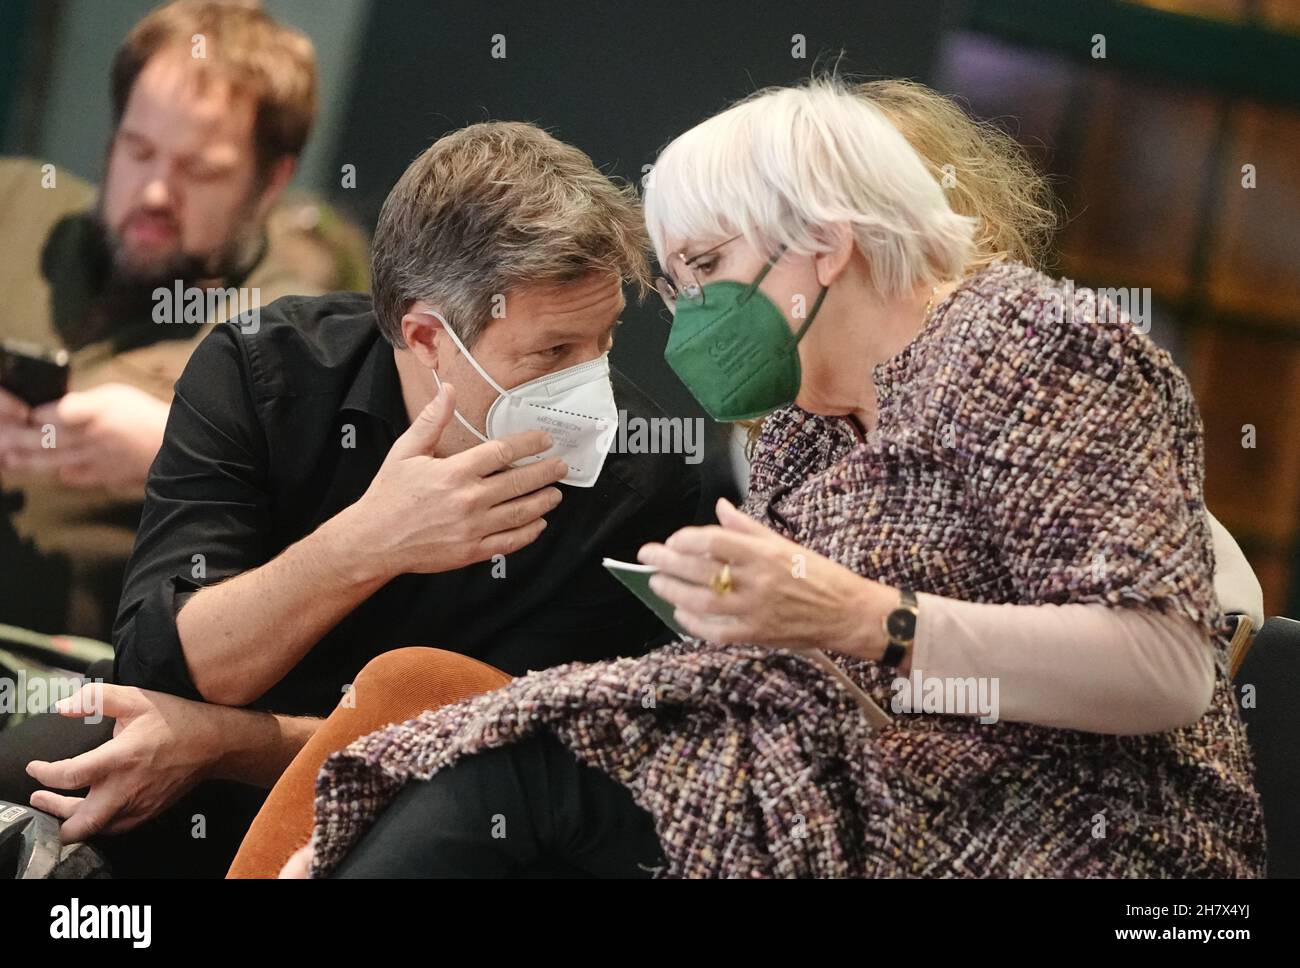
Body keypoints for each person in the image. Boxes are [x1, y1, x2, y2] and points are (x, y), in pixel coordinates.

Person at [299, 77, 1266, 879]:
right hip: (861, 807)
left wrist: (859, 616)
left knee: (523, 783)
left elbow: (1168, 665)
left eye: (709, 263)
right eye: (678, 283)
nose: (688, 317)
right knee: (453, 732)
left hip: (1079, 839)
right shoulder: (805, 428)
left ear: (825, 242)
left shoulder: (1035, 347)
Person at [3, 120, 703, 878]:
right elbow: (167, 664)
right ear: (428, 337)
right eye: (554, 353)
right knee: (42, 763)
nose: (590, 386)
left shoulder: (635, 481)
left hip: (429, 815)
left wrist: (222, 743)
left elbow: (488, 761)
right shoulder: (262, 373)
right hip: (206, 754)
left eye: (604, 340)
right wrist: (370, 540)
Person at [0, 0, 350, 641]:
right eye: (138, 150)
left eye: (200, 170)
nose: (156, 192)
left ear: (271, 182)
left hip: (75, 680)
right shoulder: (16, 204)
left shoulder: (294, 335)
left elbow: (339, 534)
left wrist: (181, 455)